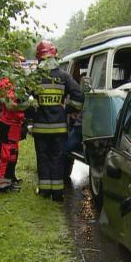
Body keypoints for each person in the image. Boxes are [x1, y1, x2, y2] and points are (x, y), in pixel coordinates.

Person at [31, 40, 83, 201]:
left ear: (39, 58)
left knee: (43, 158)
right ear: (55, 56)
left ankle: (45, 191)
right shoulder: (63, 77)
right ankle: (57, 193)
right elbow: (80, 98)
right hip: (59, 127)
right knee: (57, 159)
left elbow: (21, 99)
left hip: (40, 128)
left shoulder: (34, 78)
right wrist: (66, 109)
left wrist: (32, 110)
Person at [0, 54, 31, 193]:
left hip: (14, 123)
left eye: (21, 63)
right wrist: (28, 105)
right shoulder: (6, 82)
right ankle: (2, 185)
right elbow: (10, 106)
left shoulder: (14, 82)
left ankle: (8, 181)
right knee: (6, 154)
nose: (20, 66)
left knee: (12, 153)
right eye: (18, 63)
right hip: (8, 123)